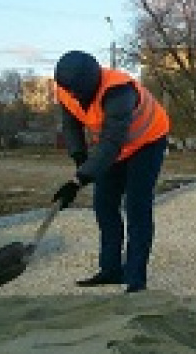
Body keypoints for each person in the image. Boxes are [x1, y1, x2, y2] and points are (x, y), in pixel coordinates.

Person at [52, 50, 170, 293]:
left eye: (78, 90)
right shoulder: (65, 88)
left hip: (147, 142)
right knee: (104, 205)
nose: (73, 95)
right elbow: (71, 125)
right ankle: (111, 270)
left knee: (137, 207)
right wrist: (80, 159)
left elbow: (111, 144)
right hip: (112, 147)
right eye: (69, 90)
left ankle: (136, 278)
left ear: (92, 82)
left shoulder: (119, 91)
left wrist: (77, 181)